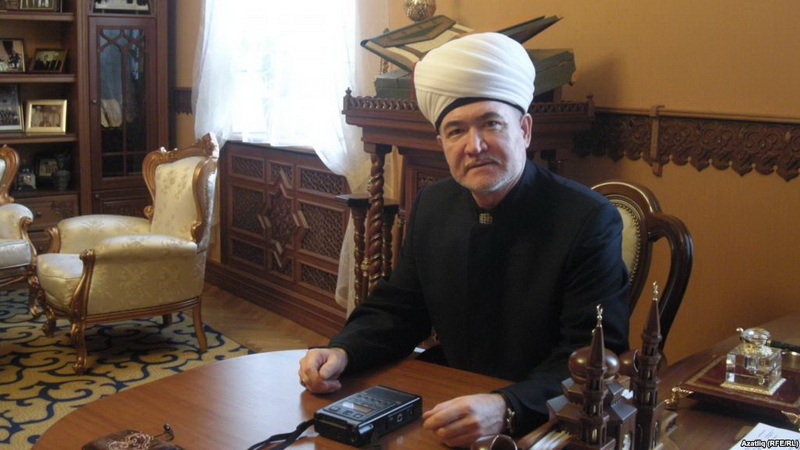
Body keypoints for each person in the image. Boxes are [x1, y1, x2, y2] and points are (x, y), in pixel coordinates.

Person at [298, 32, 630, 448]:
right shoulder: (433, 204)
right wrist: (344, 351)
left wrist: (509, 405)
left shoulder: (588, 219)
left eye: (491, 124)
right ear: (442, 144)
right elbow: (399, 308)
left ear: (525, 130)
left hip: (541, 420)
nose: (474, 146)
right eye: (456, 131)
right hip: (450, 401)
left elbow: (593, 354)